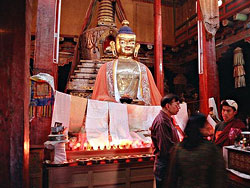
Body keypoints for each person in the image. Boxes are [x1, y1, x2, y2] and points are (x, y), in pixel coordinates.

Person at [92, 20, 162, 105]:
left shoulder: (143, 69)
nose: (127, 45)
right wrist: (112, 102)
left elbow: (151, 97)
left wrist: (141, 102)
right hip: (114, 109)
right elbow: (100, 96)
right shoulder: (106, 68)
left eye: (131, 42)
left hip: (137, 110)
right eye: (122, 42)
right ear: (113, 45)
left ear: (136, 47)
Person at [166, 113, 227, 188]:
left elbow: (172, 178)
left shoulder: (178, 148)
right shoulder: (210, 149)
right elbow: (219, 177)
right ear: (200, 128)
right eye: (206, 124)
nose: (208, 126)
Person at [150, 94, 180, 188]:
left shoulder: (168, 119)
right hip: (165, 164)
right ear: (167, 106)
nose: (179, 107)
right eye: (177, 105)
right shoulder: (162, 122)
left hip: (169, 163)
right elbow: (165, 148)